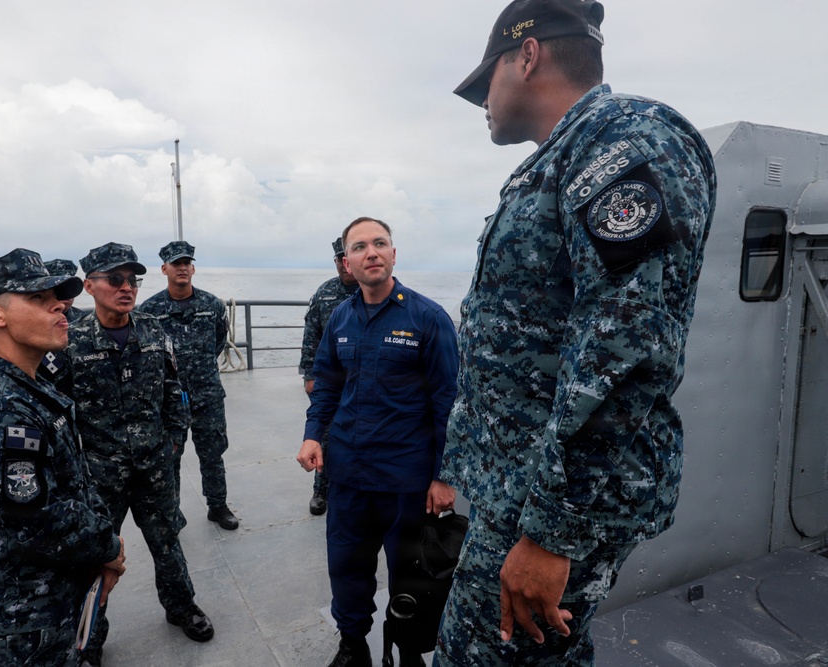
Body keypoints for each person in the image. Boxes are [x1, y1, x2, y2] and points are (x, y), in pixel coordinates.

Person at [435, 1, 718, 665]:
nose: (483, 101)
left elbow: (627, 349)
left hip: (550, 509)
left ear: (527, 54)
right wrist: (458, 466)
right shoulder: (560, 160)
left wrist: (552, 534)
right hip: (519, 496)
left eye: (487, 81)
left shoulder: (622, 142)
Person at [0, 248, 126, 667]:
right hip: (23, 620)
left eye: (57, 297)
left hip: (55, 598)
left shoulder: (32, 386)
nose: (59, 305)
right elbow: (36, 520)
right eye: (39, 299)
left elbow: (69, 483)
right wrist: (108, 546)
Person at [297, 217, 460, 667]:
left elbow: (449, 402)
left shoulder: (427, 318)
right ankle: (353, 645)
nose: (371, 252)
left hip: (406, 476)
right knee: (346, 567)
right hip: (347, 472)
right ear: (346, 262)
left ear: (393, 254)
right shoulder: (341, 317)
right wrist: (313, 436)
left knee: (411, 573)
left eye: (380, 243)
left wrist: (444, 477)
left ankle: (408, 650)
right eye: (360, 246)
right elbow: (327, 383)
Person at [66, 242, 214, 665]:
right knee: (96, 556)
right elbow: (59, 413)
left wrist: (172, 441)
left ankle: (182, 607)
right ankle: (90, 635)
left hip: (154, 465)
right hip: (99, 475)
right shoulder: (70, 341)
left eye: (132, 279)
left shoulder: (153, 329)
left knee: (167, 543)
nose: (126, 287)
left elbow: (173, 391)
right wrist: (77, 469)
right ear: (90, 286)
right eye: (115, 279)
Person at [138, 240, 239, 531]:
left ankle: (218, 506)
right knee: (171, 458)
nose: (182, 268)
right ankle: (173, 514)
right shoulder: (150, 310)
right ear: (164, 268)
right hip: (169, 399)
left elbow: (220, 341)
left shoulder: (211, 305)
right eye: (175, 263)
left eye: (186, 263)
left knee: (213, 453)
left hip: (207, 394)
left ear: (192, 268)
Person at [298, 236, 359, 516]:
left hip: (362, 379)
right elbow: (311, 336)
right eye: (339, 260)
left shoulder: (372, 290)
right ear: (338, 261)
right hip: (331, 378)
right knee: (324, 434)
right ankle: (320, 491)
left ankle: (358, 487)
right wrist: (310, 375)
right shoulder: (323, 294)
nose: (345, 267)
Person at [38, 258, 85, 390]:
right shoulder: (32, 324)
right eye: (59, 288)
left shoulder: (85, 321)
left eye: (70, 288)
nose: (66, 294)